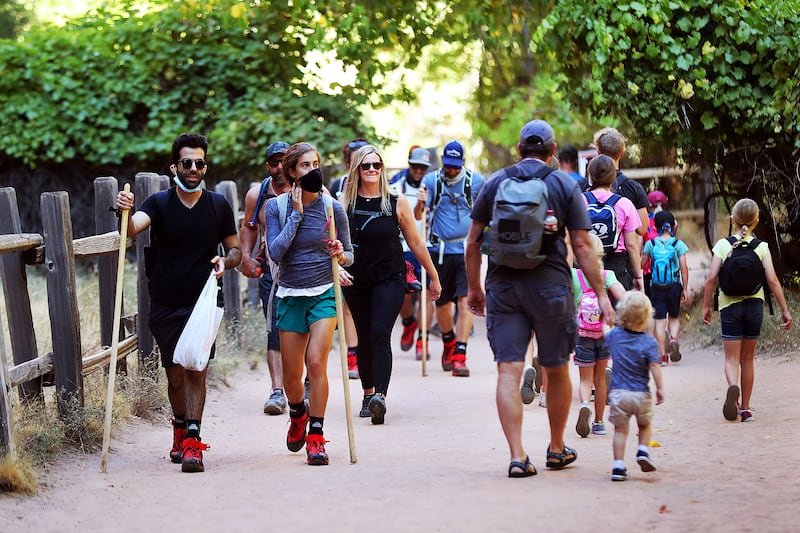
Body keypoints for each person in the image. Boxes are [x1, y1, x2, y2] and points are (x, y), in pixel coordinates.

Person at [466, 119, 614, 477]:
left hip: (504, 288)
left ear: (519, 150)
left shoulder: (495, 182)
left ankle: (517, 455)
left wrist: (475, 289)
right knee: (556, 367)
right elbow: (581, 245)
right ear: (552, 151)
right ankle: (557, 447)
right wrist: (601, 294)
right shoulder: (564, 184)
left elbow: (472, 241)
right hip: (551, 287)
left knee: (508, 370)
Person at [115, 133, 241, 473]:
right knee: (174, 376)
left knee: (197, 369)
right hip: (165, 301)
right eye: (187, 163)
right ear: (175, 166)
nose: (194, 168)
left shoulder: (218, 205)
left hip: (202, 301)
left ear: (205, 167)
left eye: (200, 163)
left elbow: (236, 249)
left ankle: (193, 443)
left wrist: (224, 262)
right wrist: (123, 214)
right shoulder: (158, 203)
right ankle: (180, 427)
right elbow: (131, 230)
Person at [265, 142, 354, 465]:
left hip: (324, 292)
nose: (312, 170)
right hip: (290, 294)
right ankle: (297, 414)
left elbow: (350, 254)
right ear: (291, 171)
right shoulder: (276, 207)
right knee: (292, 377)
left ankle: (316, 435)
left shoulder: (333, 208)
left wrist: (340, 254)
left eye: (315, 164)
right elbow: (275, 252)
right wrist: (297, 215)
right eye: (305, 165)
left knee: (316, 363)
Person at [341, 145, 442, 424]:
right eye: (366, 166)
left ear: (382, 168)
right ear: (357, 170)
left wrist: (433, 275)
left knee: (379, 331)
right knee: (363, 335)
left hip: (391, 277)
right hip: (356, 279)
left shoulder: (396, 202)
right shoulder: (344, 204)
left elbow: (415, 242)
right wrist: (337, 265)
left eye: (376, 165)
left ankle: (379, 398)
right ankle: (367, 392)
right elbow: (333, 243)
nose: (372, 170)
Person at [702, 198, 792, 422]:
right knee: (748, 359)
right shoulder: (761, 247)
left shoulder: (723, 245)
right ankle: (746, 408)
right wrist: (785, 310)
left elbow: (711, 277)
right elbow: (771, 280)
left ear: (732, 220)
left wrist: (705, 307)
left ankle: (733, 387)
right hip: (754, 305)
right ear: (756, 221)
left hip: (729, 305)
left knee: (731, 359)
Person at [415, 140, 484, 377]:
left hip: (466, 251)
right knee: (442, 305)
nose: (451, 170)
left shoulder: (476, 181)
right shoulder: (432, 180)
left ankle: (460, 356)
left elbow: (485, 212)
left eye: (456, 166)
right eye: (448, 166)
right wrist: (420, 201)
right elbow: (418, 214)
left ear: (463, 163)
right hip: (439, 251)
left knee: (465, 302)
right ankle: (448, 341)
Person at [240, 141, 293, 415]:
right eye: (275, 162)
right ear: (268, 165)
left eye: (285, 160)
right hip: (271, 272)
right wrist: (246, 257)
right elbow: (249, 226)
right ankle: (277, 391)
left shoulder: (309, 190)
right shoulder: (257, 195)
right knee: (274, 329)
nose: (280, 167)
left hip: (305, 272)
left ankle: (304, 384)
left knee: (301, 331)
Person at [606, 291, 665, 481]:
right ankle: (642, 450)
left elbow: (602, 336)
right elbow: (655, 367)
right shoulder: (650, 342)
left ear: (621, 313)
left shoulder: (614, 336)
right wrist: (660, 388)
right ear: (647, 317)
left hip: (619, 394)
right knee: (645, 424)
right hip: (641, 394)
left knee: (620, 430)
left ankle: (618, 466)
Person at [572, 233, 626, 438]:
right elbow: (622, 296)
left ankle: (585, 404)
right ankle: (599, 422)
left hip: (582, 334)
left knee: (585, 380)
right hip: (603, 334)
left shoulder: (575, 276)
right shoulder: (607, 275)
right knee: (601, 379)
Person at [329, 138, 368, 379]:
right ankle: (352, 355)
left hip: (370, 253)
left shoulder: (376, 183)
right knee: (346, 306)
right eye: (354, 160)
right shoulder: (337, 185)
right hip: (345, 252)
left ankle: (366, 351)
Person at [391, 146, 434, 360]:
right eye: (416, 166)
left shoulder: (432, 185)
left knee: (425, 294)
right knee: (403, 295)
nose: (419, 171)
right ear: (409, 165)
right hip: (402, 246)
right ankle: (409, 322)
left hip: (425, 245)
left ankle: (423, 339)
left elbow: (423, 216)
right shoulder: (396, 185)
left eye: (423, 168)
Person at [583, 154, 644, 291]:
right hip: (617, 268)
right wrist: (638, 276)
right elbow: (632, 245)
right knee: (618, 310)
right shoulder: (624, 204)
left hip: (586, 264)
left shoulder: (580, 200)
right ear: (613, 178)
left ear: (590, 177)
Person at [640, 210, 689, 366]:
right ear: (674, 225)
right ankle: (673, 338)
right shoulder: (678, 244)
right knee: (674, 317)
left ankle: (663, 357)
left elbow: (642, 265)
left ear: (655, 226)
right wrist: (685, 288)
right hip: (674, 285)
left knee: (660, 322)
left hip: (656, 286)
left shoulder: (651, 243)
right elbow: (684, 267)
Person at [643, 190, 669, 297]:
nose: (658, 208)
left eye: (661, 204)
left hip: (664, 263)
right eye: (655, 205)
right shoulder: (645, 221)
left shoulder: (669, 220)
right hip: (649, 266)